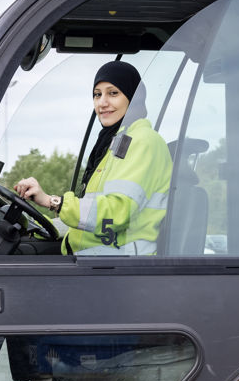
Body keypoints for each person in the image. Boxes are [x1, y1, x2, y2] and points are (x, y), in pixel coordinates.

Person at [12, 59, 172, 255]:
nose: (102, 103)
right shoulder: (113, 143)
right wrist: (39, 225)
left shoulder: (143, 141)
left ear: (133, 97)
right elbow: (93, 215)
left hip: (124, 269)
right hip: (98, 262)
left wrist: (53, 202)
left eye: (113, 93)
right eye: (97, 95)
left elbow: (117, 213)